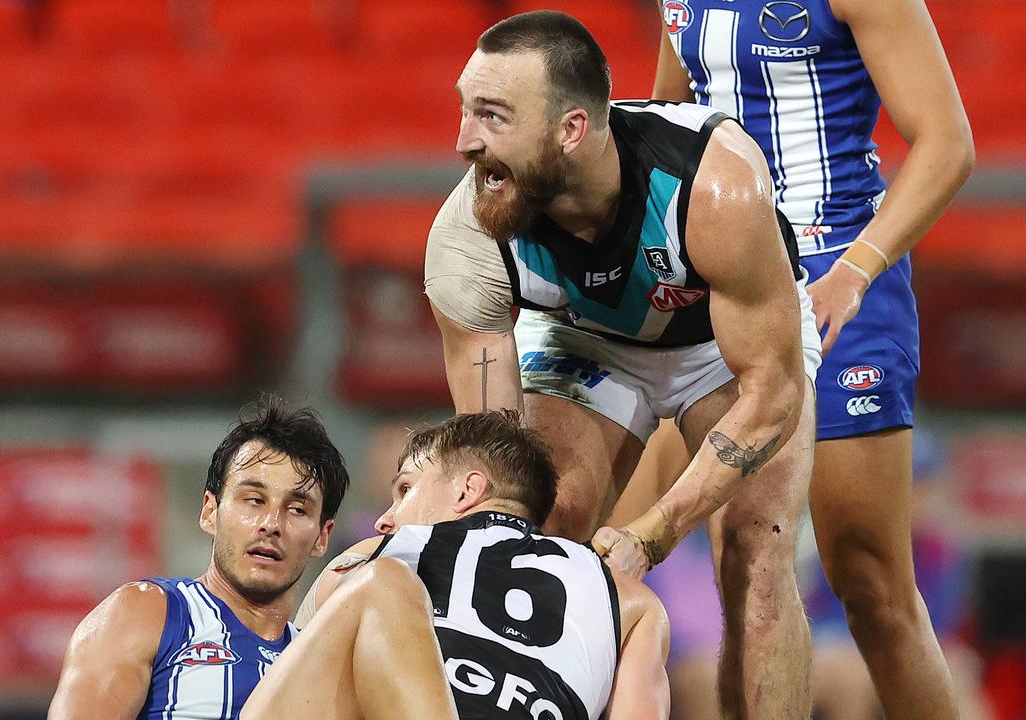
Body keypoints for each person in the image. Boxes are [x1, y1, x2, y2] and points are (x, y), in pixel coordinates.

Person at [423, 10, 821, 717]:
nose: (465, 142)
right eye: (465, 112)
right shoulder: (467, 241)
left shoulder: (714, 184)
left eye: (491, 116)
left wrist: (656, 530)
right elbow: (496, 460)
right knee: (539, 529)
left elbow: (773, 396)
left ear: (570, 130)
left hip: (720, 351)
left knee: (757, 556)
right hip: (587, 337)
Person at [647, 0, 975, 715]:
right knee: (743, 566)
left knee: (871, 586)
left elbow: (948, 141)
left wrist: (855, 272)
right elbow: (668, 118)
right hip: (722, 284)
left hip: (838, 283)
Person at [281, 410, 670, 720]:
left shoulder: (378, 556)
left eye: (405, 490)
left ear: (468, 490)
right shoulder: (631, 601)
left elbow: (291, 682)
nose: (386, 519)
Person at [48, 397, 350, 719]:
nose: (271, 524)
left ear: (322, 537)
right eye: (253, 500)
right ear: (210, 511)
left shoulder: (326, 668)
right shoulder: (146, 613)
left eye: (297, 509)